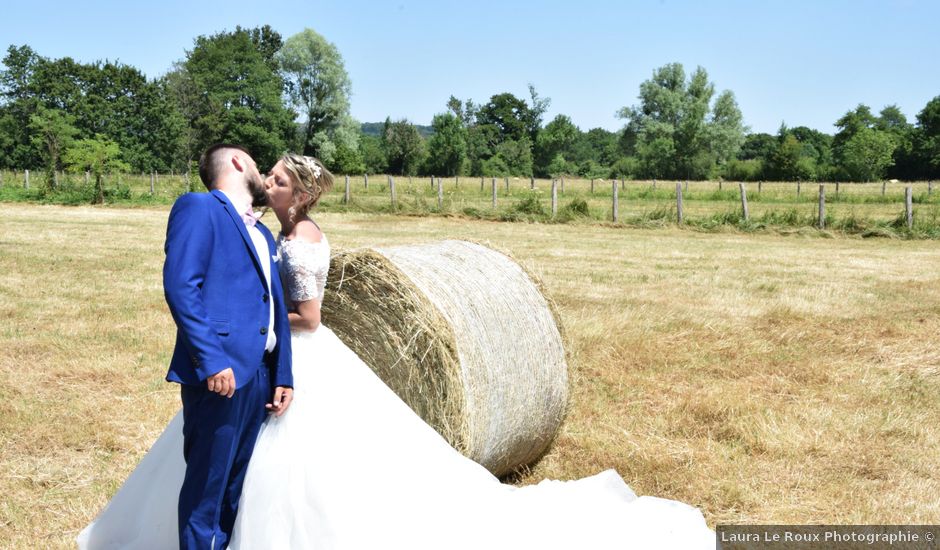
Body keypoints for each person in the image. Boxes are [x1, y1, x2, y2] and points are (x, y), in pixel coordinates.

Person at [78, 153, 714, 549]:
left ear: (294, 193)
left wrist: (273, 349)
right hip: (244, 365)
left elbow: (308, 313)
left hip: (286, 358)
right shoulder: (240, 223)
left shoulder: (296, 237)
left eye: (275, 177)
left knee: (281, 474)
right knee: (223, 471)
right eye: (262, 172)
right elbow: (194, 285)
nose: (265, 179)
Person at [77, 144, 294, 550]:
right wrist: (212, 361)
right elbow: (181, 287)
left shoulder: (263, 231)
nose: (262, 171)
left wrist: (283, 374)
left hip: (261, 378)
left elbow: (275, 306)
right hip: (221, 376)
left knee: (236, 490)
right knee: (206, 492)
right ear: (236, 161)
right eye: (255, 161)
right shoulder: (199, 208)